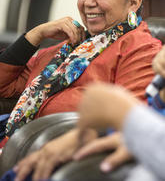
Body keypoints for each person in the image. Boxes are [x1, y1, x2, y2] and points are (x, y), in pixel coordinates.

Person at [0, 0, 161, 147]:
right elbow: (4, 87)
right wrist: (36, 34)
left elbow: (131, 122)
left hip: (66, 157)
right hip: (18, 146)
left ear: (133, 3)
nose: (88, 2)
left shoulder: (141, 49)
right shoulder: (70, 46)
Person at [13, 45, 165, 181]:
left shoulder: (141, 46)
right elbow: (6, 86)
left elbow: (128, 113)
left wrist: (129, 120)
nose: (89, 10)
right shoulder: (67, 43)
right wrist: (28, 41)